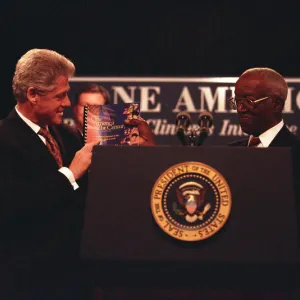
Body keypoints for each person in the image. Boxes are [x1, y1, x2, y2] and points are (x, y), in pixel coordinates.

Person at [0, 48, 98, 300]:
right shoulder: (4, 138)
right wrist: (69, 173)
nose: (67, 103)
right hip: (28, 283)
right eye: (60, 96)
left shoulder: (67, 135)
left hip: (75, 276)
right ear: (32, 94)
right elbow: (14, 206)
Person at [228, 67, 300, 149]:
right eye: (237, 101)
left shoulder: (296, 151)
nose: (240, 109)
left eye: (249, 101)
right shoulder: (229, 152)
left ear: (276, 105)